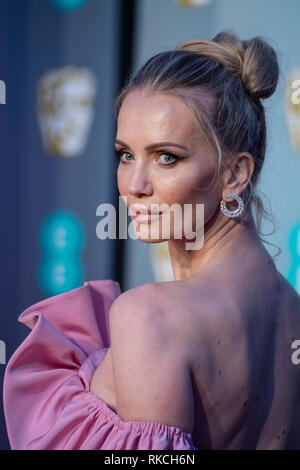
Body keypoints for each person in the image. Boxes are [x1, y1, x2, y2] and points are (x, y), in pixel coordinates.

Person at [4, 29, 300, 450]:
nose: (134, 184)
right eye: (126, 154)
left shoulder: (150, 317)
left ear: (235, 174)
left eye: (167, 157)